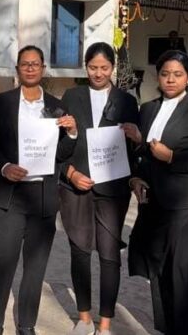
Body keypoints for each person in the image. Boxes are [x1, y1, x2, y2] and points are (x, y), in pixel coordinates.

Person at [126, 50, 188, 335]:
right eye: (165, 74)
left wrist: (172, 157)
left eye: (178, 74)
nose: (170, 79)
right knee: (161, 273)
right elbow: (146, 153)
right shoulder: (148, 109)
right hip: (155, 205)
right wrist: (136, 177)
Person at [0, 45, 77, 335]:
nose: (30, 68)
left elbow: (61, 154)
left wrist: (72, 132)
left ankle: (26, 325)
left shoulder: (57, 106)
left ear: (43, 68)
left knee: (35, 269)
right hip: (11, 196)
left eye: (35, 64)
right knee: (3, 264)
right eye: (24, 64)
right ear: (17, 69)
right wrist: (4, 167)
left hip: (43, 198)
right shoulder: (2, 102)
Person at [57, 43, 139, 335]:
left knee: (109, 256)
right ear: (85, 67)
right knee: (79, 252)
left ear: (113, 68)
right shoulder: (71, 96)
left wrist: (137, 139)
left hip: (113, 191)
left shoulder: (126, 101)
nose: (99, 73)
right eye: (93, 67)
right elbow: (59, 146)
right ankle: (84, 318)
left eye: (104, 68)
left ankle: (105, 323)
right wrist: (70, 173)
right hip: (76, 187)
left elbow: (134, 152)